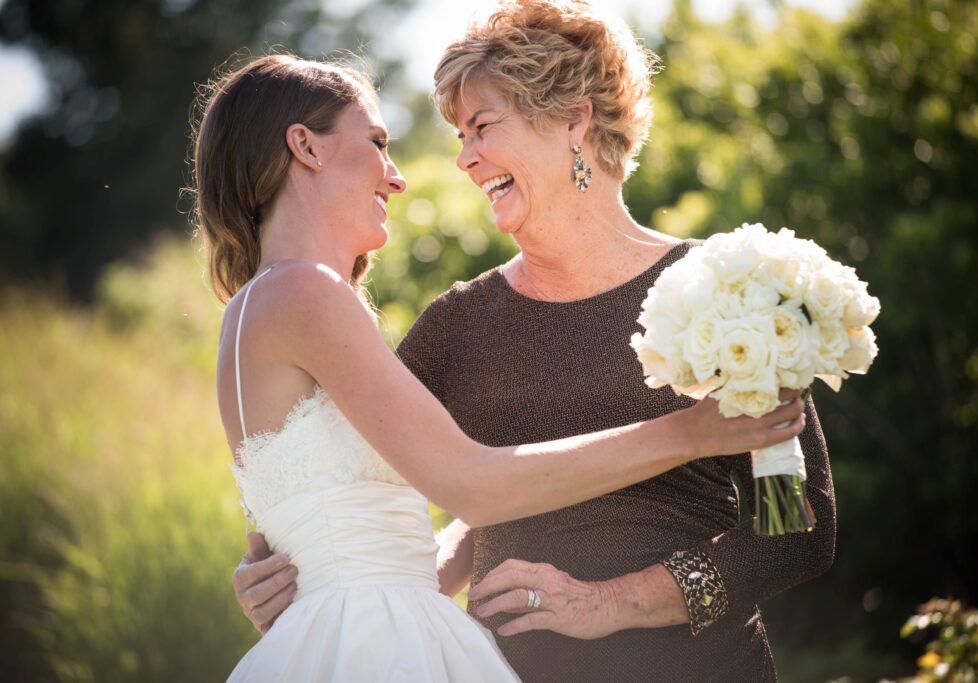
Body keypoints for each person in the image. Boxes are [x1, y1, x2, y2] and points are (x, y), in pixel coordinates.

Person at [192, 51, 807, 682]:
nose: (460, 160)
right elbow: (449, 484)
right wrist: (305, 575)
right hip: (509, 664)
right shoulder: (459, 322)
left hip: (697, 669)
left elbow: (797, 524)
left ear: (572, 121)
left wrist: (615, 602)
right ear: (304, 149)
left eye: (482, 128)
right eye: (459, 137)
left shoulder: (723, 289)